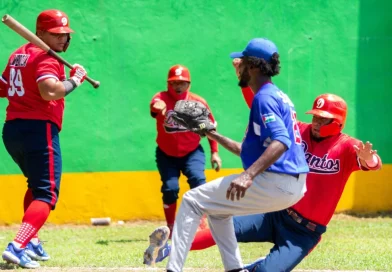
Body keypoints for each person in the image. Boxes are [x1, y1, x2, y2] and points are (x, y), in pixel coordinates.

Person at [144, 60, 383, 271]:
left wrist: (368, 159)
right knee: (222, 229)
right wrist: (246, 82)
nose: (318, 122)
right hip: (278, 213)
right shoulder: (300, 130)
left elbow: (374, 164)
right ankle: (167, 248)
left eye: (325, 119)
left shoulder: (347, 146)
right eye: (316, 116)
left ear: (339, 122)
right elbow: (260, 105)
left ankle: (254, 267)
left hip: (304, 233)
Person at [148, 38, 310, 272]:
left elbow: (282, 141)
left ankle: (173, 270)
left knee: (192, 200)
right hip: (290, 184)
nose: (238, 64)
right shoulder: (275, 95)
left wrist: (248, 176)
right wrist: (211, 134)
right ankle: (235, 269)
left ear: (253, 66)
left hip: (276, 180)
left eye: (242, 61)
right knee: (218, 210)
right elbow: (247, 150)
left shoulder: (264, 98)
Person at [0, 9, 87, 269]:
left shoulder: (19, 55)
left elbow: (2, 88)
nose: (63, 39)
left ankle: (32, 240)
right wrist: (75, 80)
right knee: (47, 195)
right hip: (38, 130)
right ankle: (17, 246)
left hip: (13, 131)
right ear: (40, 33)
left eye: (65, 35)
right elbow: (50, 92)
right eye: (56, 34)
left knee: (36, 187)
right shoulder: (48, 59)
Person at [149, 64, 221, 238]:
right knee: (170, 188)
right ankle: (171, 226)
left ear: (189, 84)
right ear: (168, 84)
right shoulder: (161, 98)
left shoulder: (198, 102)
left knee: (198, 182)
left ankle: (201, 221)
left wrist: (215, 153)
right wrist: (156, 107)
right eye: (174, 83)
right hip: (167, 154)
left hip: (192, 152)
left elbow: (211, 129)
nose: (178, 86)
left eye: (182, 83)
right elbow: (154, 107)